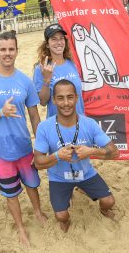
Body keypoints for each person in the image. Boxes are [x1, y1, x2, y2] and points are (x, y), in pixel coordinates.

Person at [0, 31, 46, 246]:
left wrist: (39, 145)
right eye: (3, 49)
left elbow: (34, 114)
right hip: (0, 151)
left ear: (16, 51)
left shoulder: (24, 80)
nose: (7, 53)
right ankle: (21, 228)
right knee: (11, 193)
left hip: (24, 146)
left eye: (11, 49)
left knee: (32, 185)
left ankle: (38, 212)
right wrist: (0, 113)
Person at [33, 79, 119, 233]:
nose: (66, 103)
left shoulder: (89, 123)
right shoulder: (44, 127)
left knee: (109, 202)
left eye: (70, 97)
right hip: (58, 178)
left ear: (76, 98)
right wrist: (57, 156)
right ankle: (66, 219)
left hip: (86, 174)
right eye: (60, 98)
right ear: (53, 100)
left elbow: (114, 152)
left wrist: (91, 151)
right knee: (61, 216)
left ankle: (102, 210)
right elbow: (38, 163)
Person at [33, 24, 84, 119]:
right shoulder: (41, 68)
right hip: (57, 125)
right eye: (54, 39)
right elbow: (43, 102)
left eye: (61, 38)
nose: (59, 42)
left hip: (79, 122)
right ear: (47, 44)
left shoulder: (73, 63)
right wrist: (47, 80)